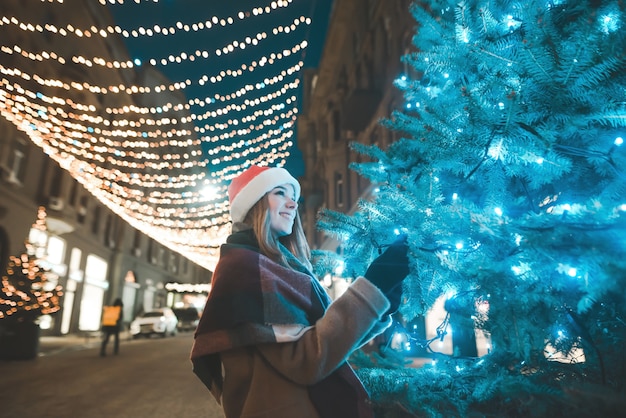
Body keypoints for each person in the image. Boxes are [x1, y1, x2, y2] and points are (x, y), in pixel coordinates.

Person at [190, 165, 410, 418]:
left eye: (293, 197)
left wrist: (381, 304)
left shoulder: (274, 266)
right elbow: (307, 359)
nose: (293, 204)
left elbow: (328, 343)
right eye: (280, 193)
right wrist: (373, 285)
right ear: (254, 204)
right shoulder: (245, 268)